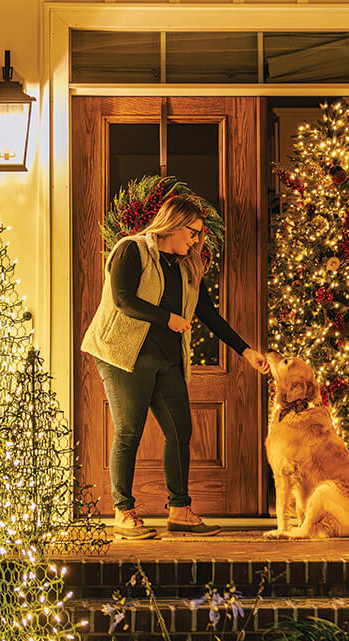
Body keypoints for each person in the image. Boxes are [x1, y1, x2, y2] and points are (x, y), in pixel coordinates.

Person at [81, 195, 271, 538]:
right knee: (129, 432)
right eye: (193, 231)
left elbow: (208, 313)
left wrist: (246, 352)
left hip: (165, 358)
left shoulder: (185, 266)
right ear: (172, 223)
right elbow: (123, 298)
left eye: (199, 234)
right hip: (123, 354)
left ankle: (180, 510)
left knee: (180, 430)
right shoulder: (131, 249)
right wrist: (167, 318)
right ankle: (124, 513)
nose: (196, 240)